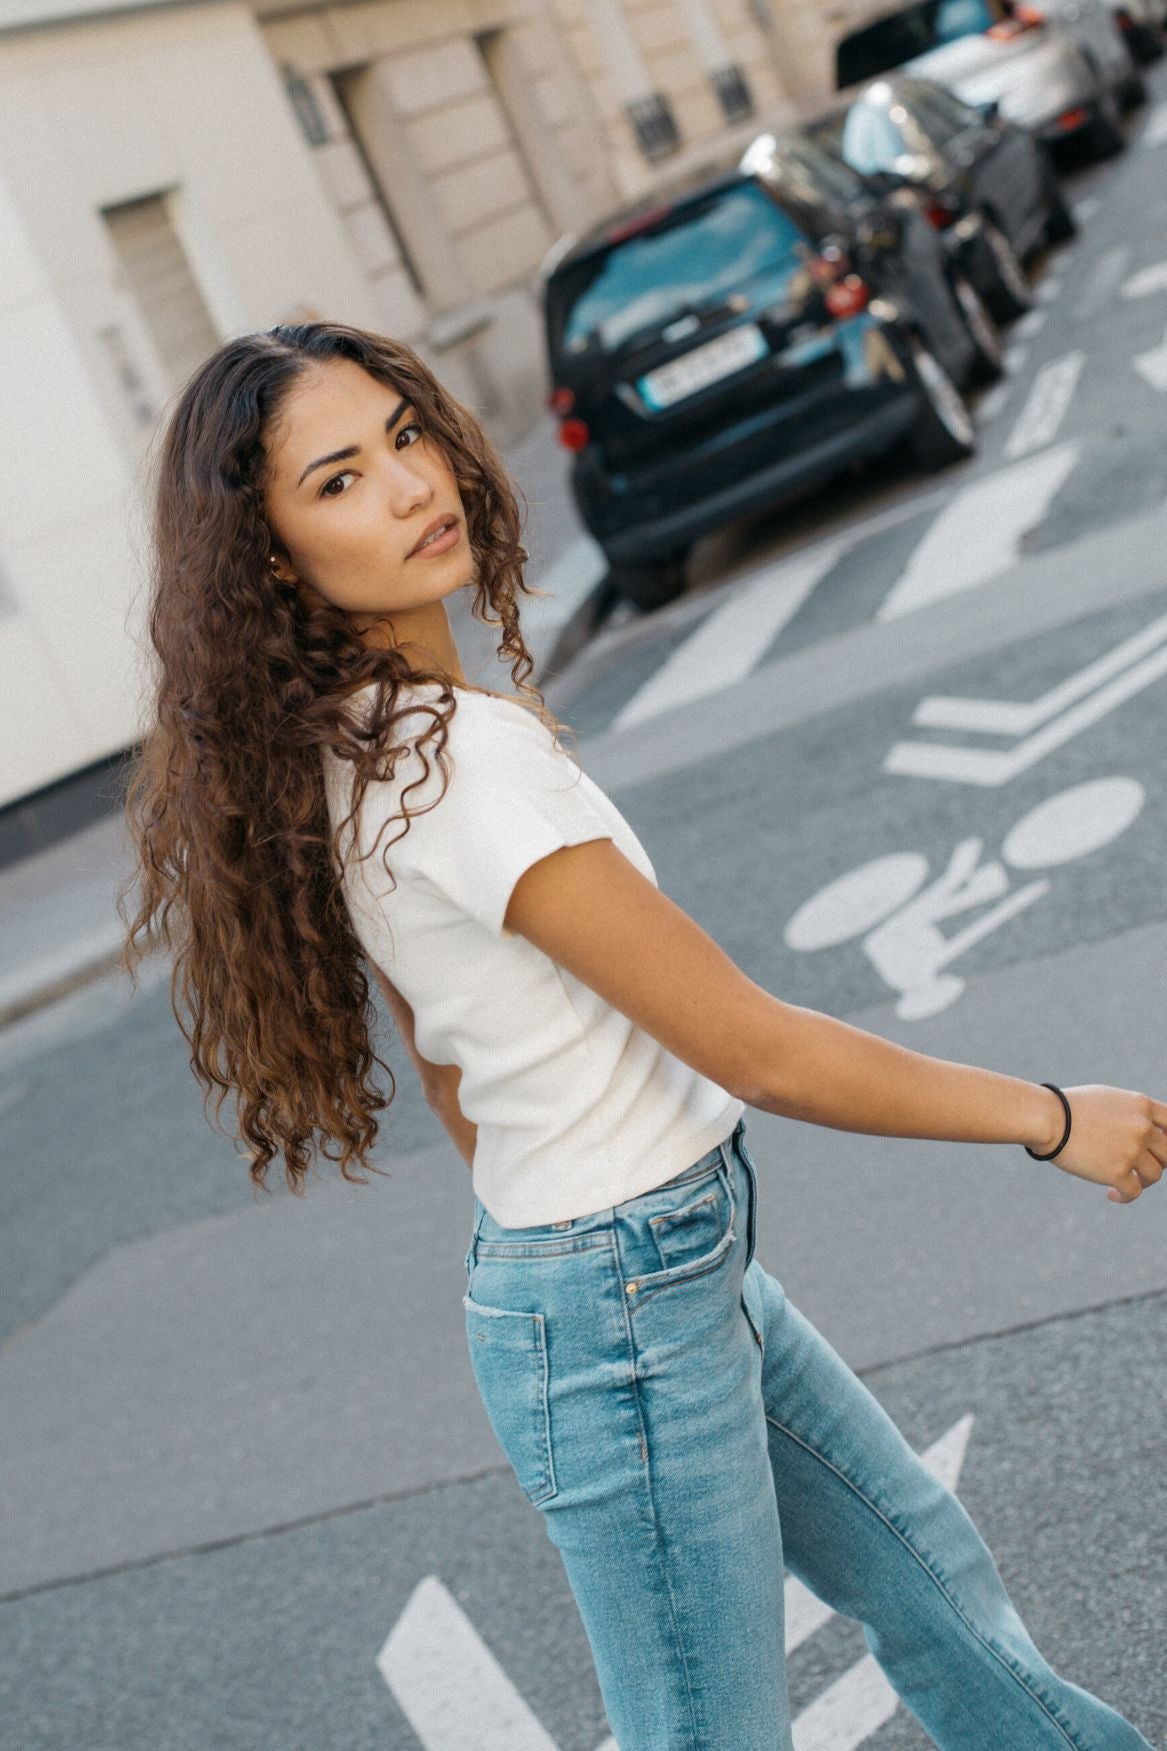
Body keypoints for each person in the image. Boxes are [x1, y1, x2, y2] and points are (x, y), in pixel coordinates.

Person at [118, 320, 1162, 1750]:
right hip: (623, 1287)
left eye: (407, 436)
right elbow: (758, 1050)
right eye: (341, 480)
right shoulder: (457, 762)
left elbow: (445, 1060)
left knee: (925, 1581)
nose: (413, 487)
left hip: (638, 1264)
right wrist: (1051, 1115)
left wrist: (588, 1216)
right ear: (275, 558)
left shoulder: (366, 747)